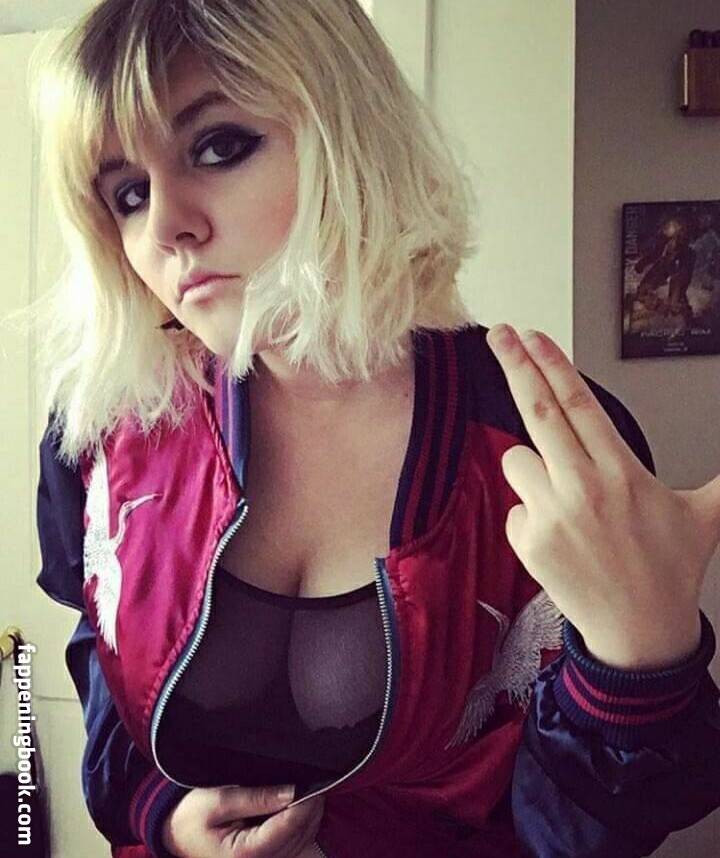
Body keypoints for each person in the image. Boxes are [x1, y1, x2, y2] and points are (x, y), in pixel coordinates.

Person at [28, 2, 720, 857]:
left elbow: (580, 830)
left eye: (218, 147)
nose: (167, 226)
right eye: (128, 194)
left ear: (350, 135)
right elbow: (100, 660)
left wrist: (641, 665)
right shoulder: (103, 435)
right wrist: (161, 816)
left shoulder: (536, 449)